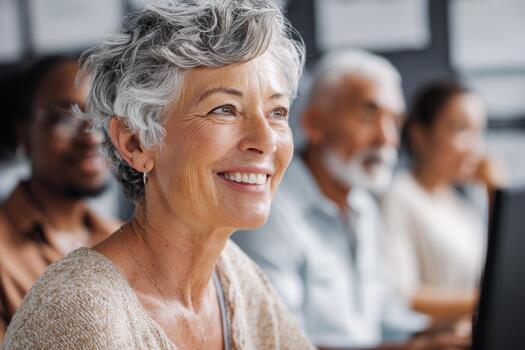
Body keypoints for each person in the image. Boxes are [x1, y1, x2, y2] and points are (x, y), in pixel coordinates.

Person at [3, 1, 314, 349]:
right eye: (225, 109)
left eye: (277, 111)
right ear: (136, 142)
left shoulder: (233, 276)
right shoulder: (78, 312)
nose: (266, 140)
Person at [233, 50, 444, 349]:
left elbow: (383, 319)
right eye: (369, 115)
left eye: (395, 121)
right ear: (314, 124)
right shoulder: (268, 210)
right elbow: (280, 341)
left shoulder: (364, 207)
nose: (387, 138)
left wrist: (444, 333)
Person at [0, 55, 120, 339]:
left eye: (102, 115)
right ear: (24, 136)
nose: (91, 137)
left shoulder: (118, 237)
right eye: (65, 118)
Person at [381, 81, 508, 319]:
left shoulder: (463, 206)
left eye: (479, 131)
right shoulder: (399, 195)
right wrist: (492, 300)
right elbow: (403, 294)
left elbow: (498, 271)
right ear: (420, 136)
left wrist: (497, 198)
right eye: (461, 130)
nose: (475, 146)